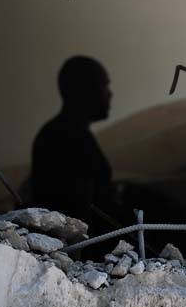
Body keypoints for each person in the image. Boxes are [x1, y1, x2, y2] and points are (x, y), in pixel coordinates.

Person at [28, 56, 119, 230]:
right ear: (87, 89)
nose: (110, 93)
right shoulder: (67, 137)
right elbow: (80, 208)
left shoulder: (63, 133)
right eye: (104, 85)